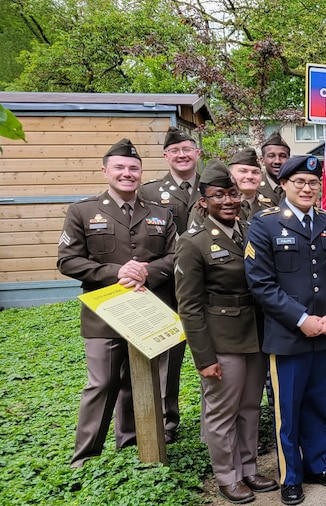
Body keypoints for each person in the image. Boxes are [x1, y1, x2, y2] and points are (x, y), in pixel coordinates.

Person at [58, 138, 176, 467]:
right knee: (102, 381)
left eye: (133, 168)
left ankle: (131, 442)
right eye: (120, 168)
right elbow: (68, 261)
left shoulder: (160, 213)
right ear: (105, 171)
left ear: (141, 173)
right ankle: (86, 456)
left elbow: (175, 256)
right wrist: (116, 271)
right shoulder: (82, 211)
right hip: (104, 313)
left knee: (139, 379)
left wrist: (147, 271)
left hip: (147, 309)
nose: (127, 173)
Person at [244, 155, 326, 505]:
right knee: (287, 409)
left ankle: (318, 464)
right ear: (284, 185)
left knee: (320, 403)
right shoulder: (265, 224)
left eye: (312, 183)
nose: (307, 188)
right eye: (299, 182)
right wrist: (301, 318)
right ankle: (290, 475)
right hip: (289, 334)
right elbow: (260, 283)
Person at [174, 160, 278, 503]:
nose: (228, 200)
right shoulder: (193, 242)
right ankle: (227, 476)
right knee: (222, 412)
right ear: (203, 201)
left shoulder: (250, 230)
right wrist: (204, 357)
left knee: (250, 407)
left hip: (255, 334)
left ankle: (248, 469)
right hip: (222, 340)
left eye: (232, 193)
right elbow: (188, 306)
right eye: (219, 195)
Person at [137, 126, 201, 443]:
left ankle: (219, 420)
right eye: (175, 151)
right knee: (166, 358)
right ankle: (166, 422)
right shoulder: (149, 194)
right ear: (165, 156)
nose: (182, 154)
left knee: (217, 357)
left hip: (209, 288)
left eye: (187, 148)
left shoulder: (214, 186)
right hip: (167, 287)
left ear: (197, 153)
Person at [227, 148, 267, 222]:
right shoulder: (218, 207)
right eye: (243, 171)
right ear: (230, 175)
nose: (250, 176)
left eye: (255, 172)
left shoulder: (269, 207)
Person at [257, 132, 290, 205]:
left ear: (289, 160)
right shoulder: (254, 187)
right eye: (271, 156)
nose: (277, 161)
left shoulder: (298, 187)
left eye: (282, 156)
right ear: (262, 160)